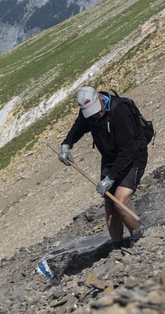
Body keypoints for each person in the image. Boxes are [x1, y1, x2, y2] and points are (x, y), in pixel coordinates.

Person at [59, 86, 147, 246]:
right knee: (110, 206)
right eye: (90, 113)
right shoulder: (89, 113)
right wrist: (66, 144)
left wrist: (111, 177)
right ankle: (118, 246)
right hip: (110, 159)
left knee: (120, 201)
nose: (95, 115)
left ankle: (139, 240)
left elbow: (127, 150)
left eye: (96, 110)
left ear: (99, 97)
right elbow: (79, 126)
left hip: (133, 157)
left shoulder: (120, 111)